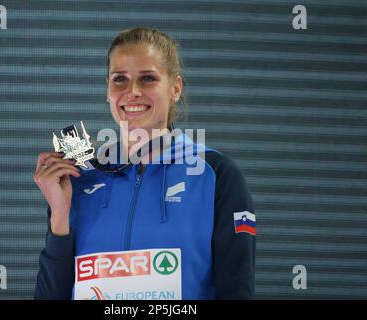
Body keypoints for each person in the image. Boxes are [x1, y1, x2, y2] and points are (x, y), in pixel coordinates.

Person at [33, 27, 256, 300]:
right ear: (107, 90)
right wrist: (59, 214)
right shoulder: (79, 178)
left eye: (148, 78)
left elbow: (236, 291)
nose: (132, 91)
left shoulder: (215, 174)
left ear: (175, 88)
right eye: (119, 79)